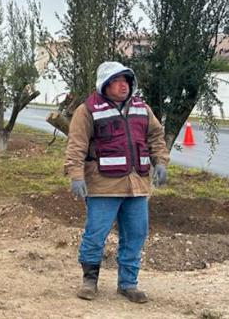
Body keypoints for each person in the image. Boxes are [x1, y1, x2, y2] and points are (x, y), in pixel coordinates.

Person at [63, 61, 170, 304]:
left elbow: (156, 135)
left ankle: (128, 284)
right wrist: (76, 176)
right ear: (105, 85)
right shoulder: (88, 110)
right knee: (95, 234)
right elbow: (76, 145)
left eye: (126, 81)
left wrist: (161, 161)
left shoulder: (142, 108)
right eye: (117, 81)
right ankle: (89, 281)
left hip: (137, 186)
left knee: (136, 234)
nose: (124, 85)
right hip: (102, 186)